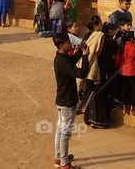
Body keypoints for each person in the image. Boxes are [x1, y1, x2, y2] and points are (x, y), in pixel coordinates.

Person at [53, 32, 90, 169]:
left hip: (62, 100)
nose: (71, 44)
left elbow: (72, 61)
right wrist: (85, 57)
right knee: (65, 132)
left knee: (60, 130)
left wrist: (80, 52)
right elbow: (81, 73)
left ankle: (59, 157)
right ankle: (64, 162)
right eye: (68, 43)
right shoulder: (62, 61)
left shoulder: (61, 57)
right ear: (62, 45)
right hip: (67, 102)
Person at [84, 22, 119, 129]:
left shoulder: (98, 43)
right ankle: (98, 121)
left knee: (96, 96)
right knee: (99, 97)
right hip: (102, 74)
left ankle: (92, 119)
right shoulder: (111, 43)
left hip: (98, 73)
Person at [115, 24, 135, 115]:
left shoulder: (121, 47)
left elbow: (117, 59)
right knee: (134, 90)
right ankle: (134, 108)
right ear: (132, 39)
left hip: (123, 71)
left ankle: (126, 108)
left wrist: (118, 68)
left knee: (125, 89)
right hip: (133, 71)